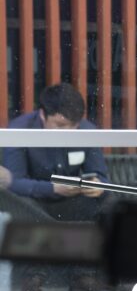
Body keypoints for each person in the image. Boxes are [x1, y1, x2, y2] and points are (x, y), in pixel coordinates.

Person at [4, 83, 109, 218]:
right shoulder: (20, 130)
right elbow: (13, 182)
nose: (68, 131)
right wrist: (53, 188)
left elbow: (102, 177)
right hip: (33, 202)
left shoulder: (87, 131)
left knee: (108, 202)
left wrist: (97, 186)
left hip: (73, 201)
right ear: (43, 115)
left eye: (74, 125)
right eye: (60, 125)